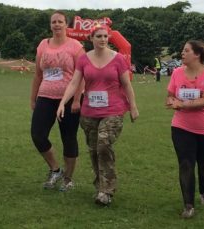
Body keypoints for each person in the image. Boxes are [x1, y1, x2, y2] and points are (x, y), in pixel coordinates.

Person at [57, 24, 139, 205]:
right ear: (91, 39)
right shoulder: (84, 60)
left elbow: (126, 85)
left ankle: (107, 190)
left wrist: (133, 107)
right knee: (94, 150)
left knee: (103, 144)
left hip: (114, 110)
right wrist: (63, 103)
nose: (103, 39)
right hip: (89, 112)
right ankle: (100, 186)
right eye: (99, 36)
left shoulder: (118, 59)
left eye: (105, 36)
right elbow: (74, 83)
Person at [30, 11, 85, 191]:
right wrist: (33, 98)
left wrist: (77, 99)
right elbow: (38, 75)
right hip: (45, 97)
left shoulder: (75, 46)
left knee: (68, 138)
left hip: (69, 99)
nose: (56, 25)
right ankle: (55, 169)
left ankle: (68, 179)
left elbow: (81, 74)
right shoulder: (43, 45)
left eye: (60, 22)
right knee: (37, 135)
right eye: (53, 22)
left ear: (66, 25)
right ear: (50, 25)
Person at [166, 40, 204, 218]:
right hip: (181, 126)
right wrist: (171, 102)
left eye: (186, 50)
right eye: (182, 50)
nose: (182, 53)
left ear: (197, 54)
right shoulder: (176, 73)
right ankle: (188, 205)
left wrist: (182, 104)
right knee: (186, 164)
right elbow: (170, 96)